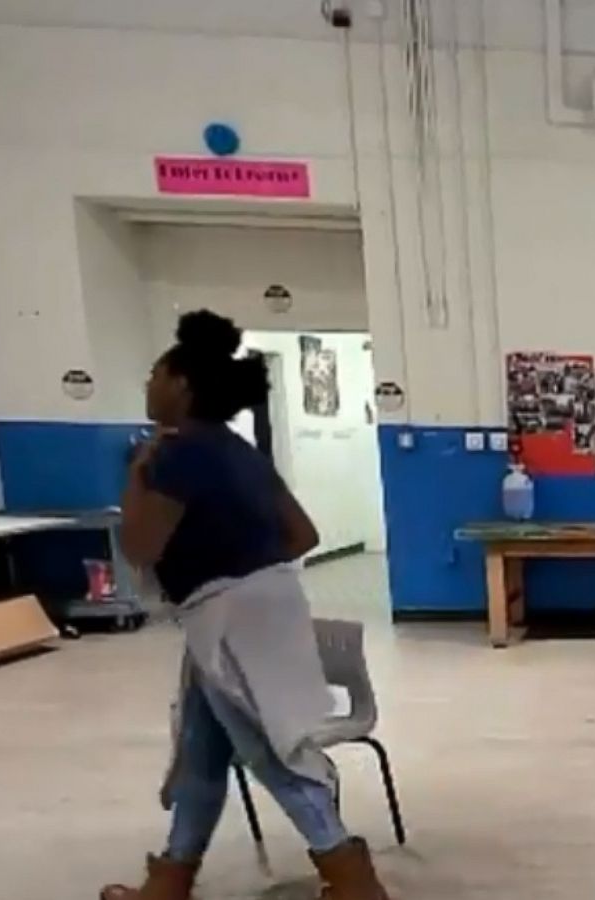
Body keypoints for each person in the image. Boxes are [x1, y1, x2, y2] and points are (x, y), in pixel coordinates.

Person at [101, 310, 390, 900]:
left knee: (275, 755)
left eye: (155, 373)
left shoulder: (175, 455)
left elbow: (138, 548)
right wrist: (248, 564)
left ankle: (354, 883)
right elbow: (303, 535)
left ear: (181, 384)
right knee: (202, 756)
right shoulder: (240, 450)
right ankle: (172, 879)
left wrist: (136, 478)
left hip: (228, 621)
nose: (148, 384)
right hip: (269, 609)